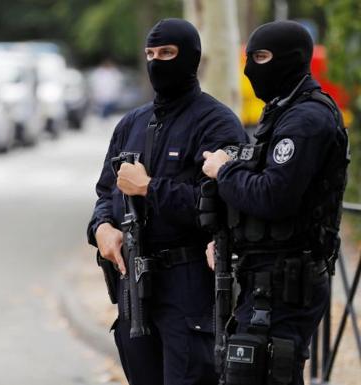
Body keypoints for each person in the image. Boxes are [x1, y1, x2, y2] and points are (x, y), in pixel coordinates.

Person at [87, 19, 247, 385]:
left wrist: (149, 188)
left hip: (188, 287)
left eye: (167, 54)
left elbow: (225, 206)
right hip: (135, 290)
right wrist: (102, 228)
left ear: (190, 58)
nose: (157, 62)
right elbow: (105, 193)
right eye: (150, 54)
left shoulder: (216, 123)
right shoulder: (132, 124)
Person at [202, 21, 349, 385]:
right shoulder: (283, 110)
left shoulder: (306, 119)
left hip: (286, 282)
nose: (251, 68)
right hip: (265, 277)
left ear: (293, 60)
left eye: (262, 57)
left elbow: (273, 196)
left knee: (259, 372)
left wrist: (224, 172)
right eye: (249, 58)